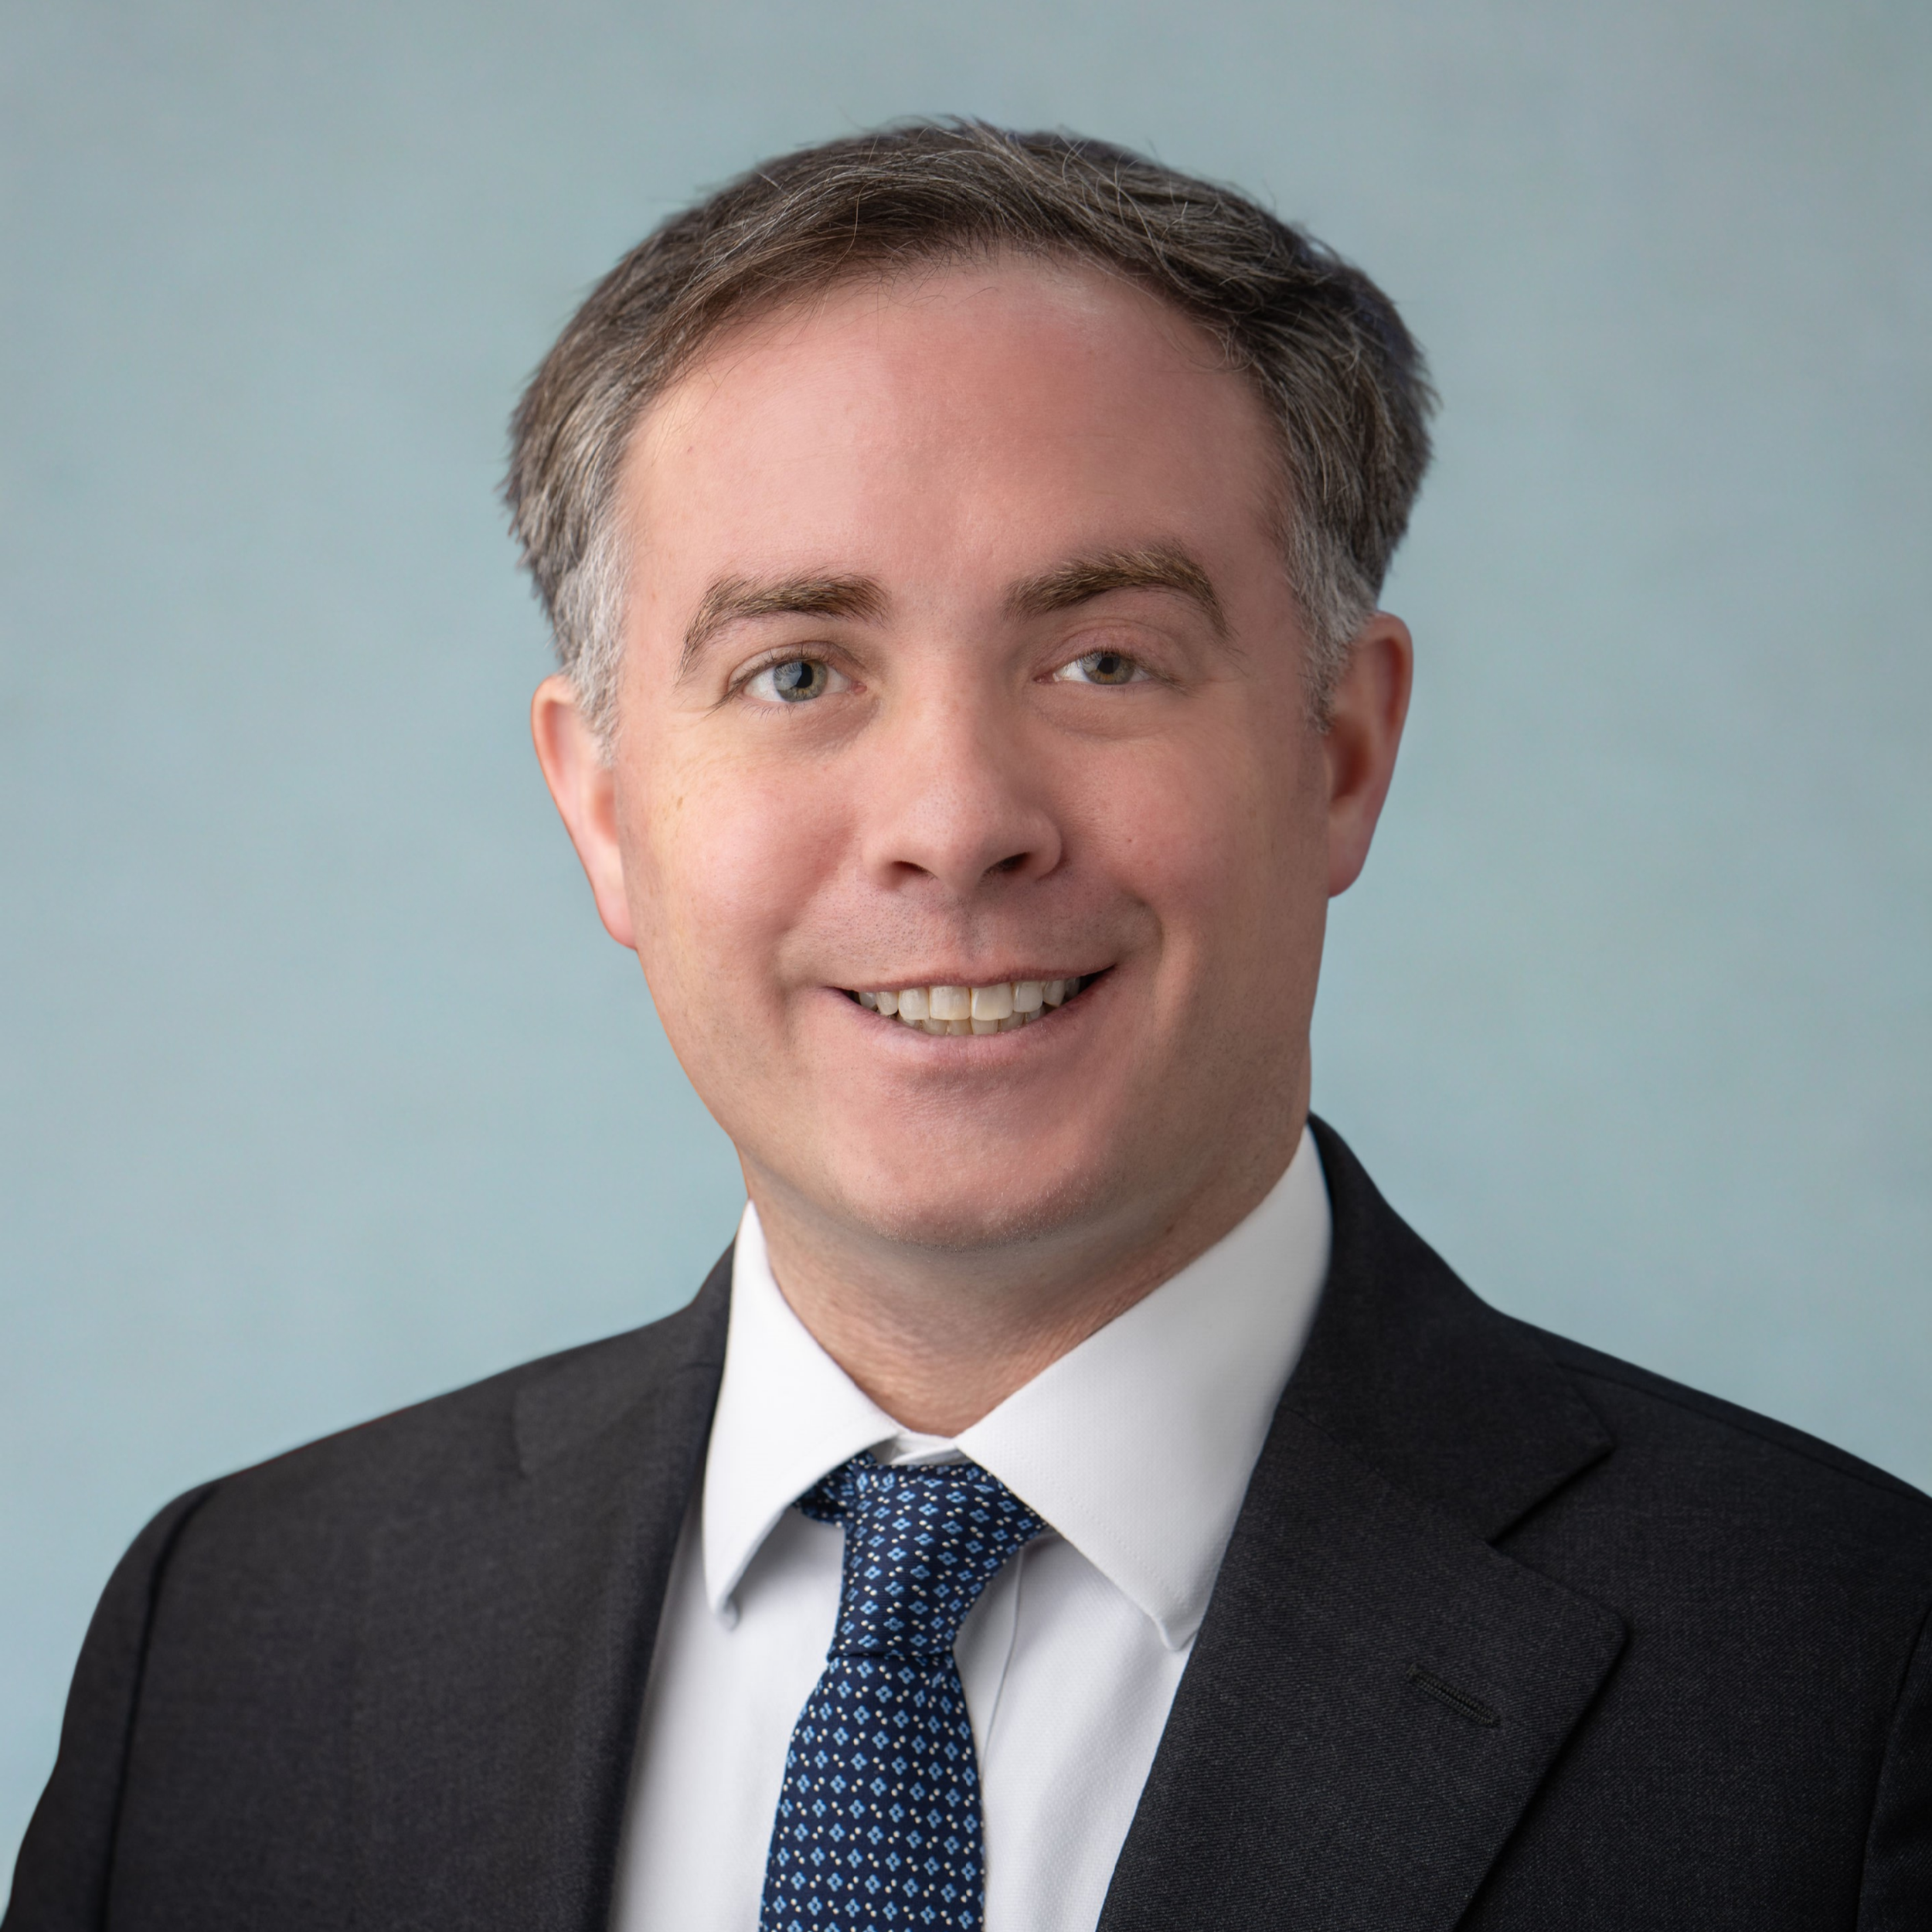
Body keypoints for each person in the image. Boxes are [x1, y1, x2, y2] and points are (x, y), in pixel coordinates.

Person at [8, 121, 1930, 1932]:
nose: (951, 819)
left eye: (1101, 659)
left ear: (1339, 753)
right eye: (795, 671)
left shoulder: (1843, 1682)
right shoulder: (240, 1638)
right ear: (600, 807)